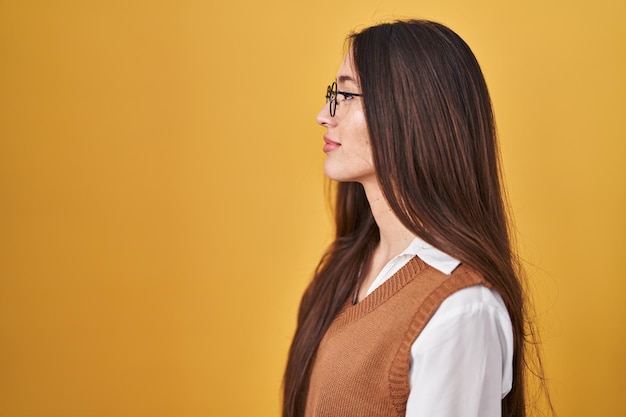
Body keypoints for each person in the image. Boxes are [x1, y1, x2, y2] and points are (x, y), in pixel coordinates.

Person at [283, 19, 548, 417]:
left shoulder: (462, 310)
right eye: (332, 93)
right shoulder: (349, 266)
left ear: (410, 111)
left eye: (347, 94)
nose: (324, 114)